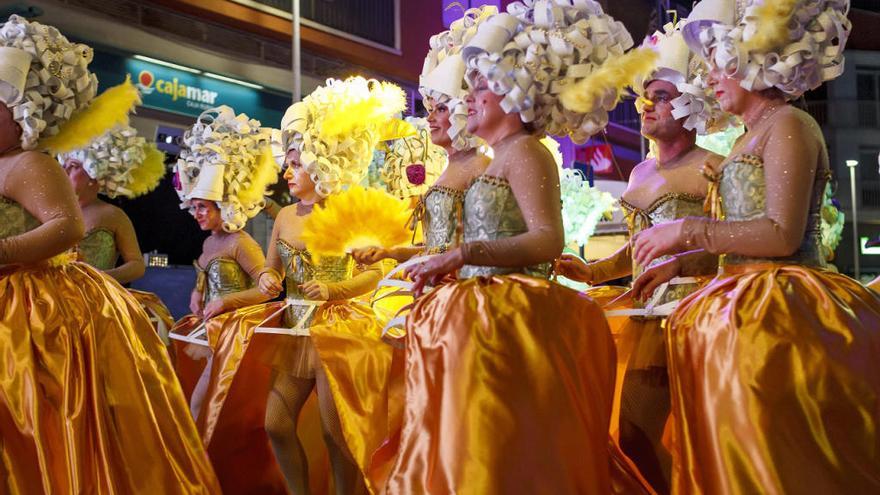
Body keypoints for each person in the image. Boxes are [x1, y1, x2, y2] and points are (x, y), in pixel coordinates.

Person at [386, 3, 656, 493]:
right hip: (482, 316)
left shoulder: (527, 152)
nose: (471, 98)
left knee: (502, 443)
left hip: (513, 320)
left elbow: (547, 240)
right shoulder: (501, 158)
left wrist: (465, 255)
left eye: (482, 87)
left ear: (515, 93)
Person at [631, 0, 880, 492]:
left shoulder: (789, 124)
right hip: (741, 301)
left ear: (758, 59)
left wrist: (686, 232)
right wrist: (684, 260)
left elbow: (780, 235)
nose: (712, 77)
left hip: (781, 314)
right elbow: (740, 238)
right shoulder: (752, 136)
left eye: (723, 63)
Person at [0, 15, 219, 492]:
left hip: (44, 304)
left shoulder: (31, 167)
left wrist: (9, 251)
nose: (73, 174)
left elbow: (68, 228)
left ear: (22, 114)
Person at [556, 23, 725, 494]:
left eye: (663, 95)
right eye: (646, 94)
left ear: (693, 103)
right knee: (633, 434)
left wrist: (683, 265)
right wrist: (594, 270)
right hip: (647, 318)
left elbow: (728, 244)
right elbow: (641, 246)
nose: (647, 104)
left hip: (698, 318)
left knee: (703, 436)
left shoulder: (713, 169)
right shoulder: (640, 172)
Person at [257, 76, 411, 495]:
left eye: (295, 164)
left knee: (335, 432)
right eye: (287, 164)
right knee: (276, 422)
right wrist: (265, 278)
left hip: (337, 331)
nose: (287, 172)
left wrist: (333, 292)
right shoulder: (286, 217)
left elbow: (374, 273)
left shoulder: (350, 209)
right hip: (294, 328)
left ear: (321, 166)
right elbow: (270, 272)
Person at [168, 106, 284, 493]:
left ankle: (196, 479)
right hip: (207, 331)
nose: (196, 213)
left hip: (233, 336)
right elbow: (204, 279)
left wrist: (227, 304)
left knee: (202, 408)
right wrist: (198, 294)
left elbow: (269, 286)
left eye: (203, 207)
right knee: (186, 403)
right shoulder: (208, 242)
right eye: (194, 206)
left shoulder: (241, 242)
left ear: (224, 206)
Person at [59, 124, 174, 341]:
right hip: (52, 302)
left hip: (97, 307)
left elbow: (136, 264)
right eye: (64, 164)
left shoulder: (112, 215)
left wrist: (103, 277)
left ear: (95, 173)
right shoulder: (52, 210)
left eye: (73, 166)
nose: (65, 171)